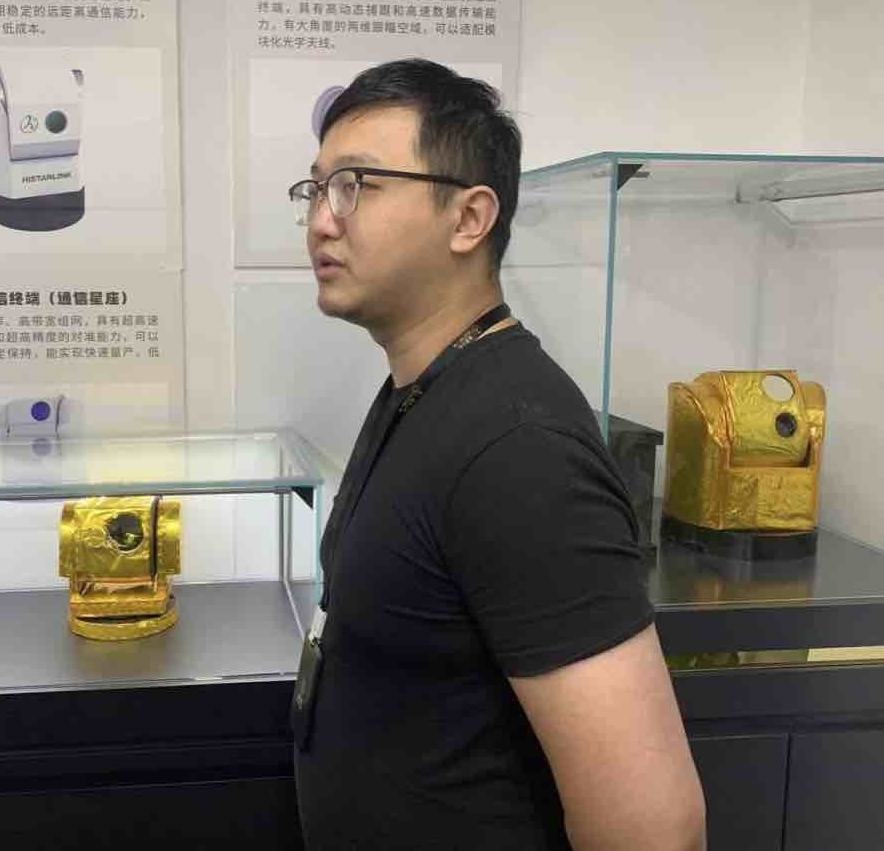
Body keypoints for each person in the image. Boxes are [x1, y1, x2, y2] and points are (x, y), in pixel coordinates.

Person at [289, 58, 706, 851]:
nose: (320, 221)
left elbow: (652, 828)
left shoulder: (519, 449)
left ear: (469, 217)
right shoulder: (424, 388)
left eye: (354, 186)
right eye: (314, 190)